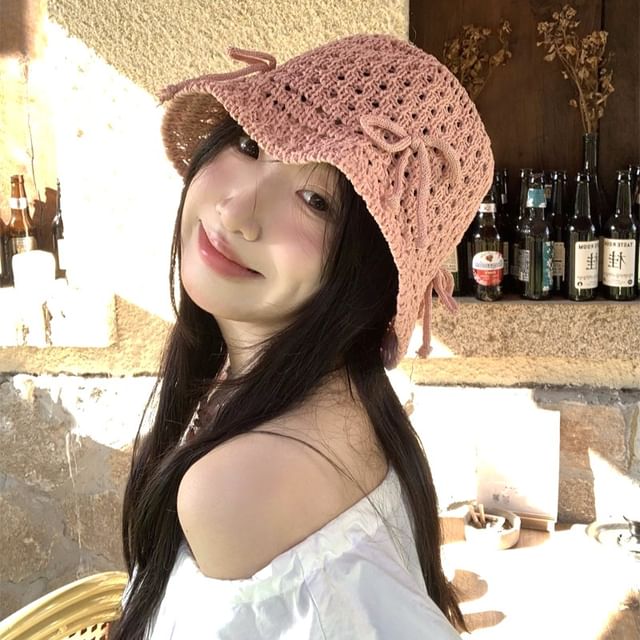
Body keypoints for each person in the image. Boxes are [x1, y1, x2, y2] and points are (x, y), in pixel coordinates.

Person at [113, 33, 494, 639]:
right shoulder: (346, 403)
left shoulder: (241, 488)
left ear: (366, 272)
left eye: (316, 200)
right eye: (249, 144)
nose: (236, 211)